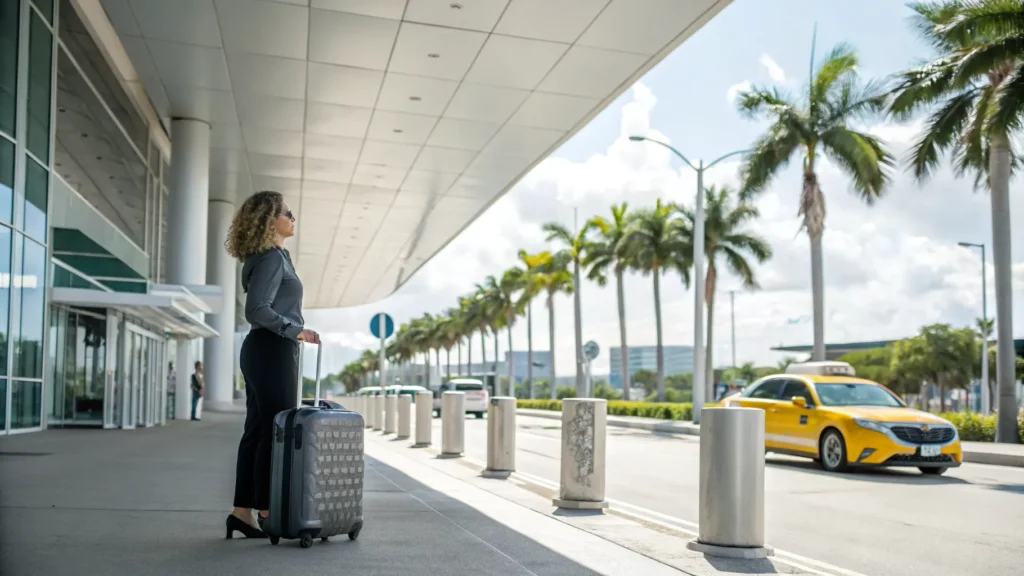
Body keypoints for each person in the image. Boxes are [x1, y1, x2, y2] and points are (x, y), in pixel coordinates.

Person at [223, 190, 320, 540]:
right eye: (286, 212)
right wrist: (296, 330)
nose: (292, 217)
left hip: (266, 349)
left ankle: (242, 511)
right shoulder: (270, 258)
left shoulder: (277, 256)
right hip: (272, 349)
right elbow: (256, 309)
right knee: (274, 431)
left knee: (259, 430)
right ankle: (267, 509)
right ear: (270, 219)